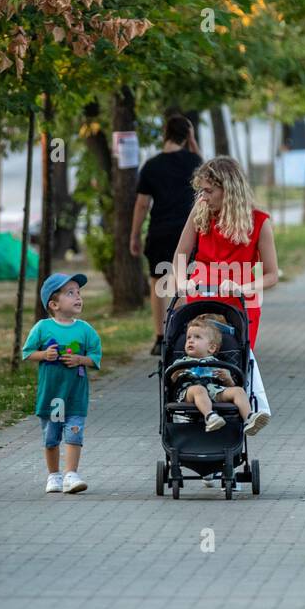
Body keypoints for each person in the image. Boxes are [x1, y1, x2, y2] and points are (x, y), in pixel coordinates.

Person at [173, 156, 277, 429]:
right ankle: (198, 417)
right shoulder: (200, 211)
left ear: (228, 189)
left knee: (235, 358)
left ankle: (242, 416)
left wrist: (243, 287)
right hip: (203, 294)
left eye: (208, 190)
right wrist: (182, 282)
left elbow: (272, 274)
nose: (203, 197)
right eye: (201, 191)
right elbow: (181, 254)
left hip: (240, 298)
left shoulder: (259, 221)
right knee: (197, 354)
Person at [22, 273, 103, 490]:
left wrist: (80, 359)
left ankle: (71, 475)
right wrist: (44, 355)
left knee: (74, 434)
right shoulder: (42, 328)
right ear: (54, 304)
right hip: (53, 396)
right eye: (70, 293)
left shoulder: (85, 329)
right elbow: (27, 352)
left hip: (75, 395)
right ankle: (54, 476)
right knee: (51, 438)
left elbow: (96, 356)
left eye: (79, 292)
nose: (78, 297)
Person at [130, 114, 201, 357]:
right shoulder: (194, 161)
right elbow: (205, 170)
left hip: (159, 230)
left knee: (157, 282)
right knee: (182, 282)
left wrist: (134, 235)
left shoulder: (151, 165)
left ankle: (160, 338)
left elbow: (141, 205)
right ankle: (179, 334)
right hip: (187, 232)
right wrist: (192, 140)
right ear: (188, 136)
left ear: (165, 135)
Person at [169, 315, 260, 431]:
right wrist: (176, 373)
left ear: (211, 348)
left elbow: (230, 386)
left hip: (214, 390)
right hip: (188, 392)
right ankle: (210, 417)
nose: (190, 340)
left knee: (238, 390)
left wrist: (228, 379)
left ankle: (249, 418)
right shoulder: (181, 362)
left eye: (197, 337)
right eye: (188, 337)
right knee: (199, 390)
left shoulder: (219, 364)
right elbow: (169, 383)